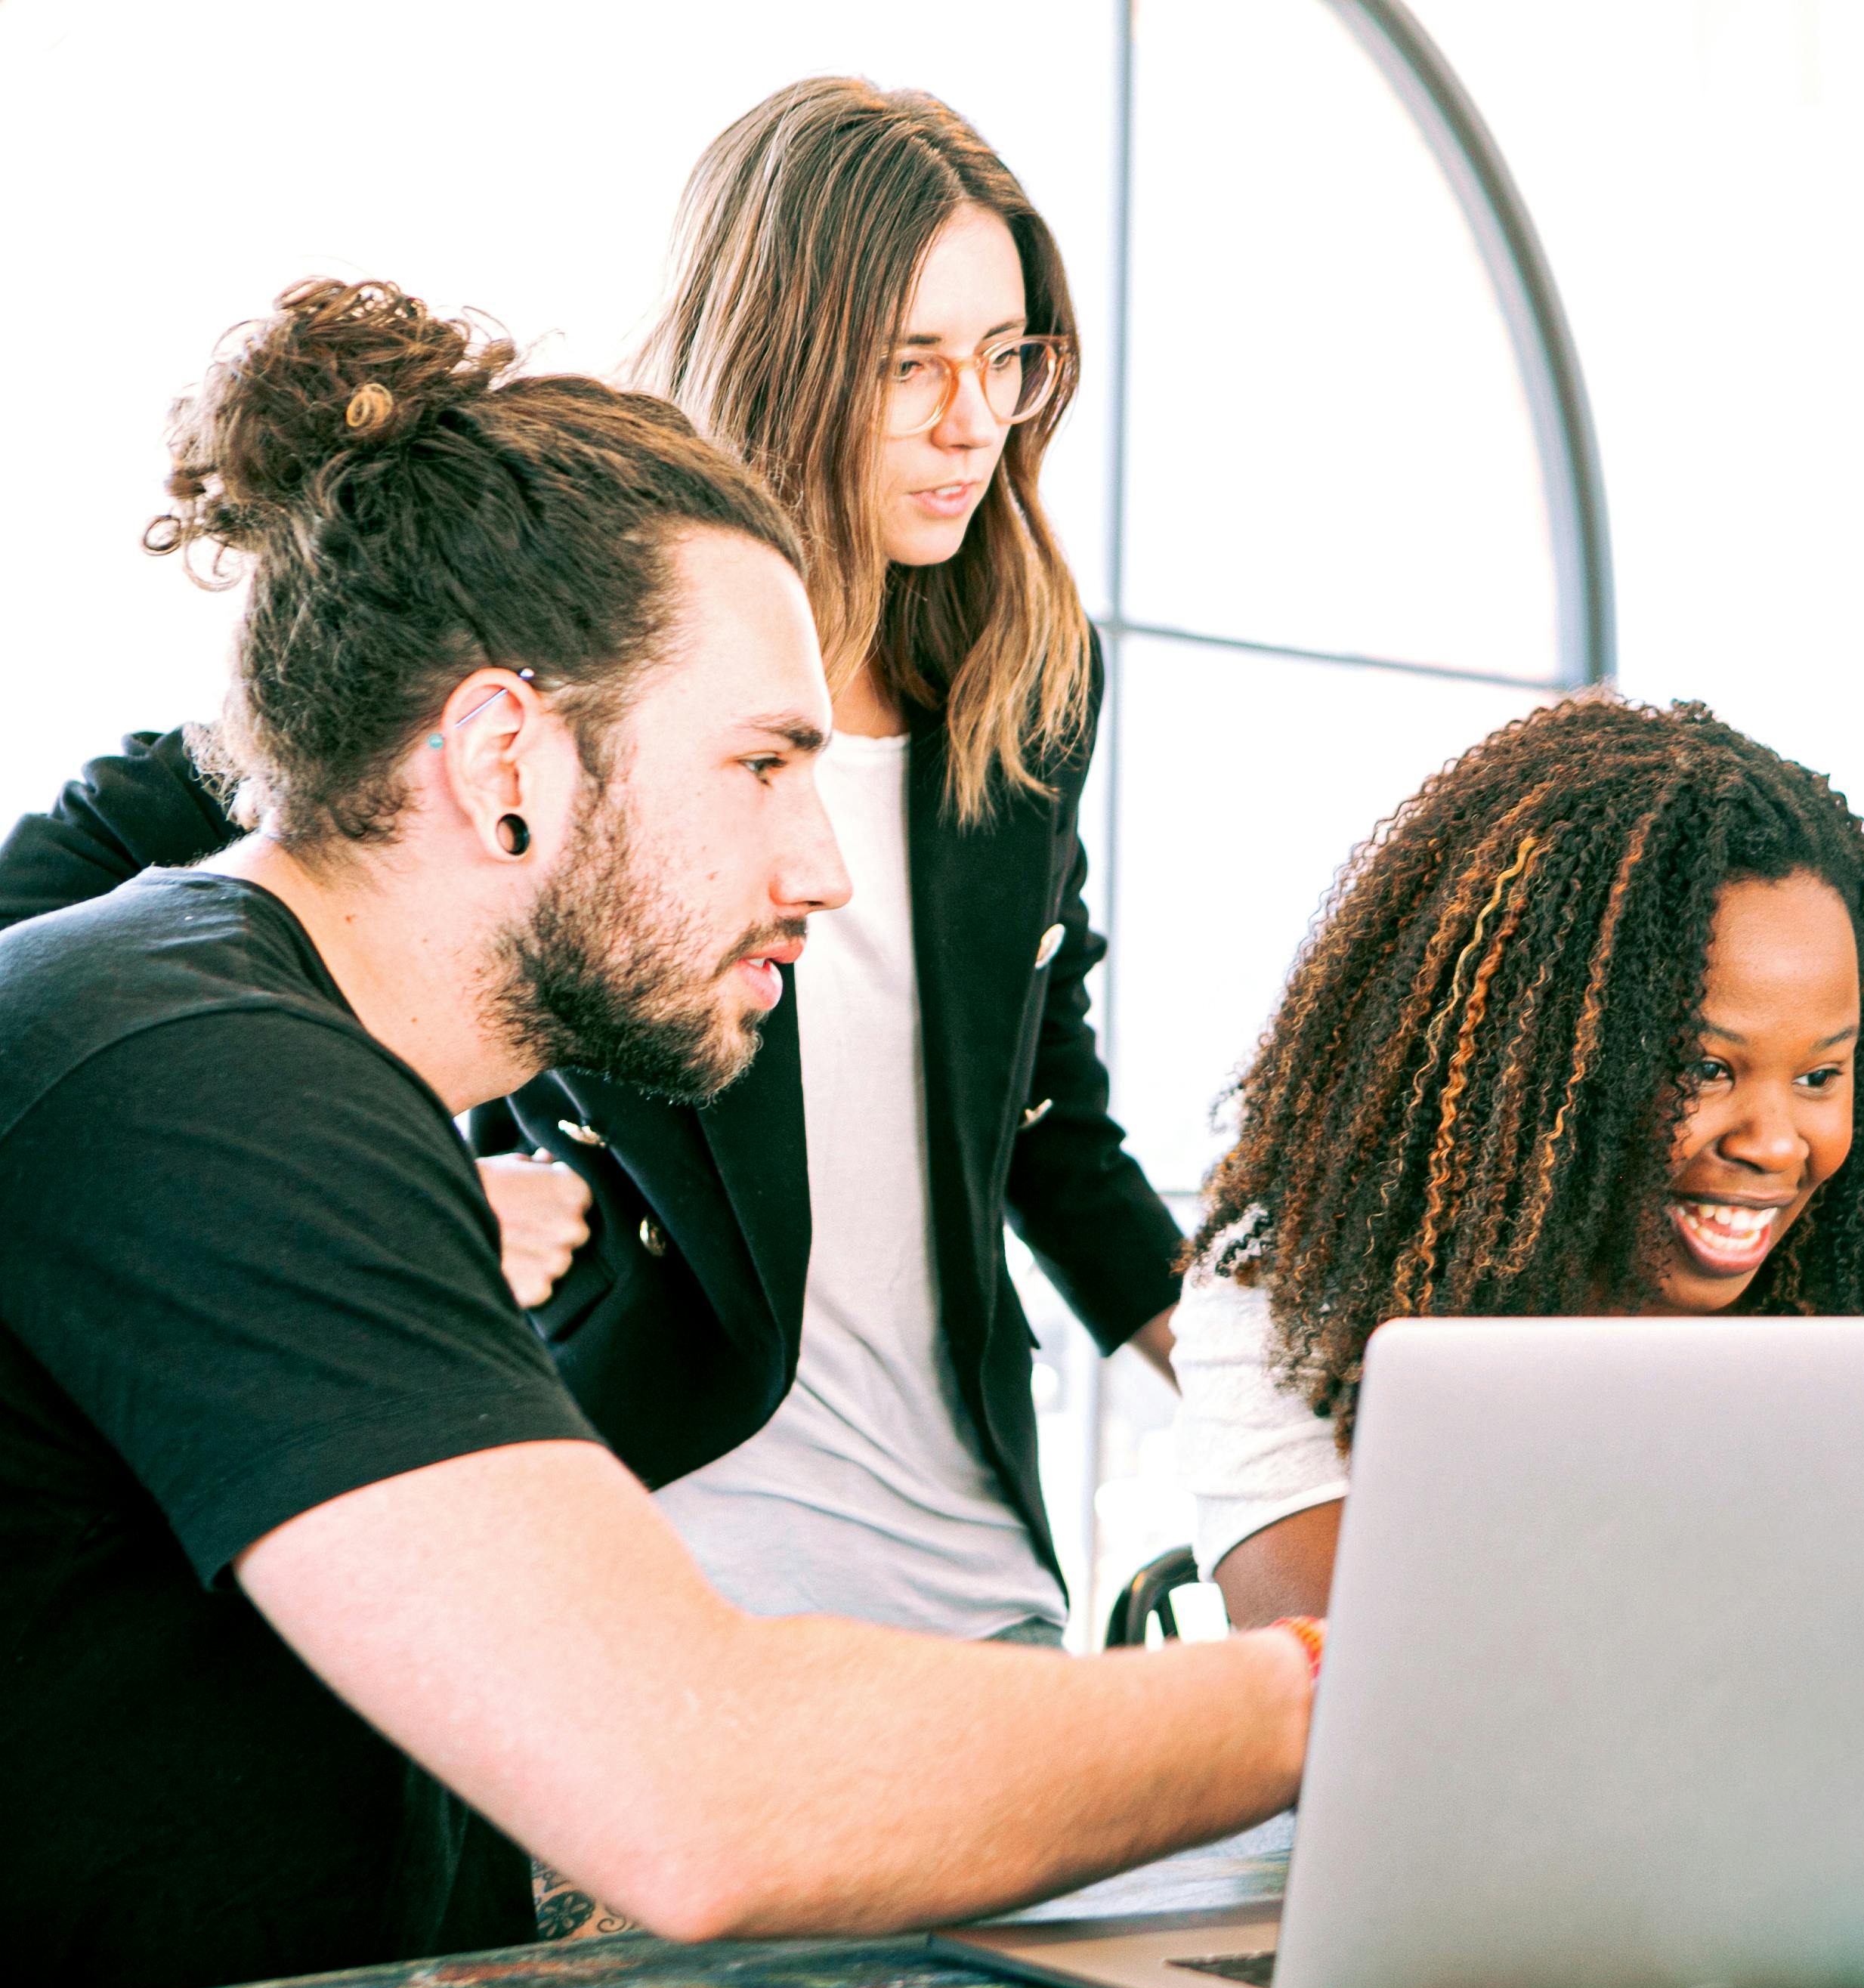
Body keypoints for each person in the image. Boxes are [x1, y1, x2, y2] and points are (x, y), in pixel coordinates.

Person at [0, 278, 1311, 1988]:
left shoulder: (285, 1056)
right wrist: (1342, 1689)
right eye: (765, 766)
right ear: (503, 758)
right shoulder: (192, 1070)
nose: (824, 870)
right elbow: (702, 1791)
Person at [0, 79, 1183, 1646]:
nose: (976, 420)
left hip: (970, 1575)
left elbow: (1047, 1116)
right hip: (641, 1560)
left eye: (1008, 357)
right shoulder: (552, 628)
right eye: (913, 365)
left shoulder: (1025, 682)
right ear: (789, 351)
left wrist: (1281, 1391)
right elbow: (87, 928)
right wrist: (395, 1186)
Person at [1175, 696, 1864, 1843]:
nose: (1773, 1143)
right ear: (1542, 1058)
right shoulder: (1298, 1283)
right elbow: (1369, 1722)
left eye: (1822, 1076)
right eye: (1705, 1067)